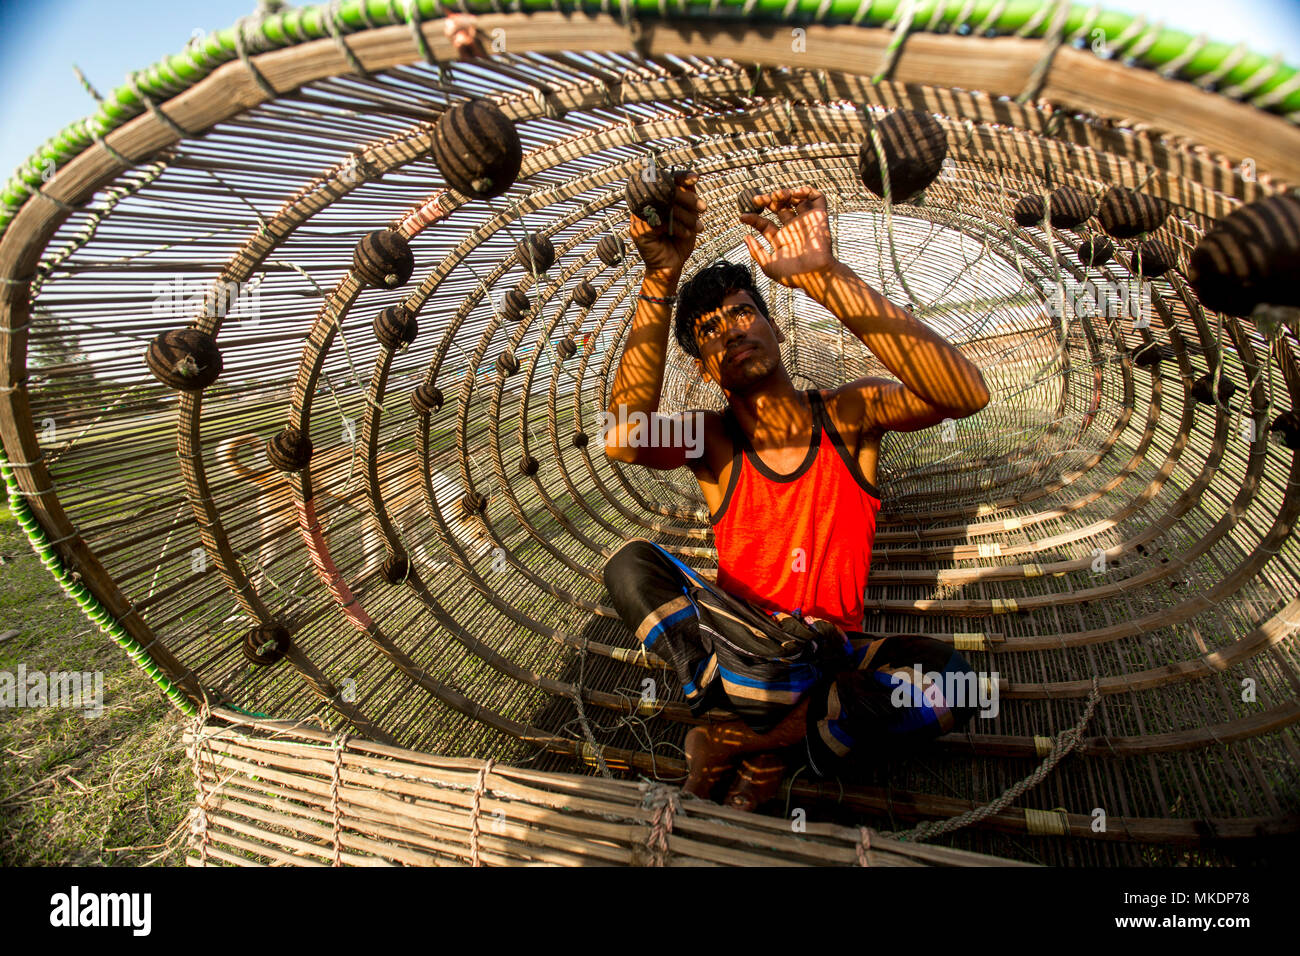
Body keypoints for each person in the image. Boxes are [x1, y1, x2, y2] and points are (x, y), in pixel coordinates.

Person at [601, 169, 992, 809]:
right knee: (630, 563)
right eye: (708, 331)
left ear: (775, 327)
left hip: (825, 651)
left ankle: (741, 742)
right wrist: (659, 277)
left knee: (959, 684)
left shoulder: (849, 415)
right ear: (703, 369)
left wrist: (820, 272)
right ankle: (771, 728)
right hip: (739, 646)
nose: (729, 330)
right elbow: (624, 437)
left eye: (742, 312)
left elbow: (965, 394)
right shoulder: (714, 440)